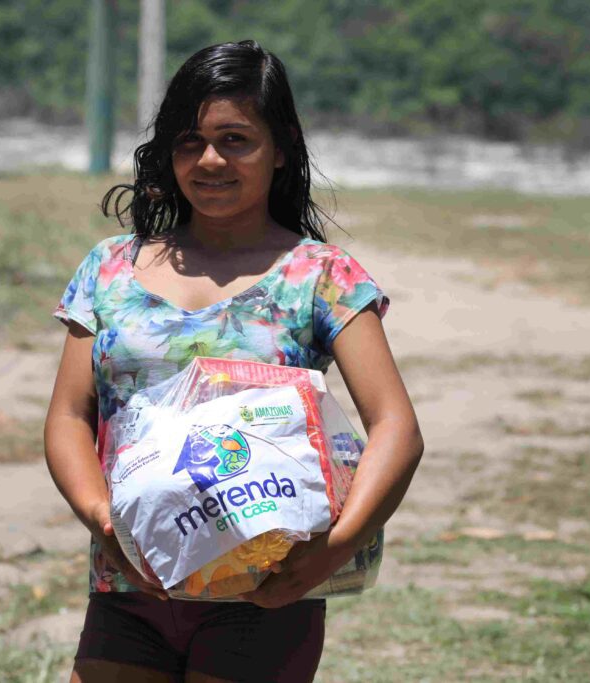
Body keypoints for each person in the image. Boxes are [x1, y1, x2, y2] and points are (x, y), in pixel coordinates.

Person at [45, 40, 423, 683]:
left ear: (281, 149)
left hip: (265, 598)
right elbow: (68, 417)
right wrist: (105, 523)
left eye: (235, 139)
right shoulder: (109, 268)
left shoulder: (319, 277)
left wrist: (334, 549)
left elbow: (397, 428)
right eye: (190, 141)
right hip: (131, 590)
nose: (210, 159)